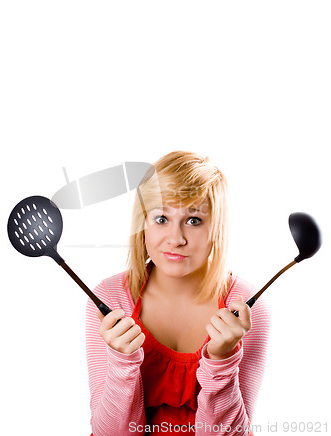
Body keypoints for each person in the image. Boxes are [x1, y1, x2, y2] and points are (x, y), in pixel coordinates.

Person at [86, 151, 271, 436]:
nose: (176, 238)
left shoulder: (246, 308)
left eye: (194, 220)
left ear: (216, 229)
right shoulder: (109, 299)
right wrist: (122, 362)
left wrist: (222, 360)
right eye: (161, 218)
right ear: (143, 224)